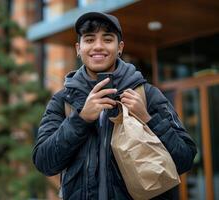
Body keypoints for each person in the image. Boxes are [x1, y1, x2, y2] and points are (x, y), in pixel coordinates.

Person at [32, 12, 197, 200]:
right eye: (90, 39)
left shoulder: (147, 94)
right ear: (78, 48)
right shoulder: (63, 101)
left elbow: (185, 159)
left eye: (107, 39)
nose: (98, 46)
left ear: (120, 47)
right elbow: (44, 163)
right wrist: (80, 120)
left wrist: (148, 119)